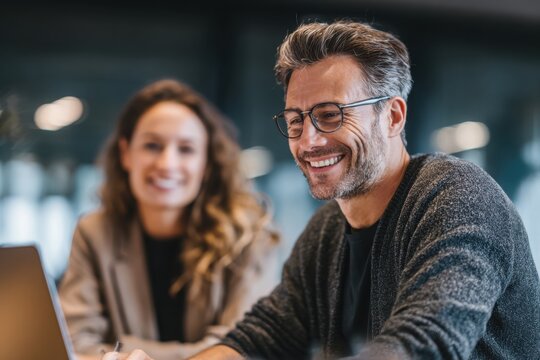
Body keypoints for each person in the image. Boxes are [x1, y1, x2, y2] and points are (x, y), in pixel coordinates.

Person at [106, 20, 540, 360]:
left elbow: (423, 345)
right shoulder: (327, 232)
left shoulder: (456, 197)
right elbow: (263, 336)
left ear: (392, 117)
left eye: (331, 115)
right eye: (296, 120)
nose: (309, 140)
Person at [58, 79, 280, 360]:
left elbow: (243, 347)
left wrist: (126, 348)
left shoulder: (251, 234)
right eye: (152, 145)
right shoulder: (94, 232)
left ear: (207, 163)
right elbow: (76, 344)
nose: (167, 164)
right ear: (126, 154)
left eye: (186, 149)